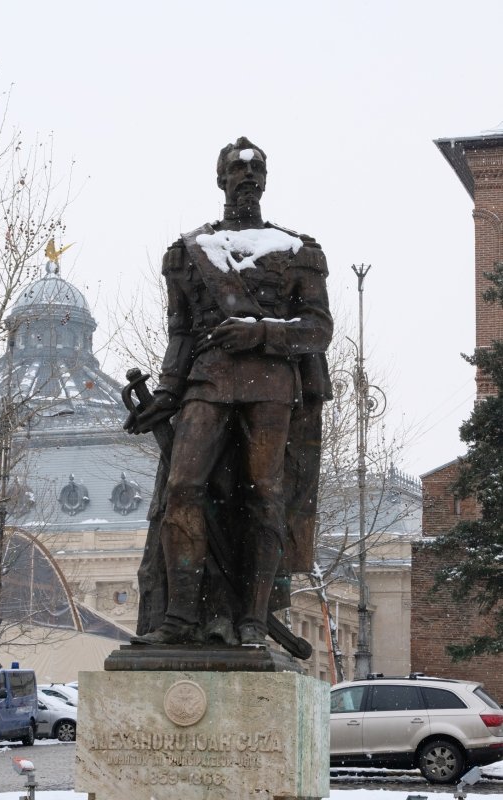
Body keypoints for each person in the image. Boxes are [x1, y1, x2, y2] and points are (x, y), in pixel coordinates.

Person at [125, 137, 333, 648]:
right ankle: (179, 616)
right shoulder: (188, 251)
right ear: (220, 179)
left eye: (254, 169)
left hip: (272, 388)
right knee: (182, 488)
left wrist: (260, 334)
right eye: (236, 169)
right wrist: (166, 393)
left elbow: (318, 329)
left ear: (265, 179)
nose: (246, 176)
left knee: (266, 498)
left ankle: (254, 621)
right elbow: (180, 334)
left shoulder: (297, 251)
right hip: (209, 381)